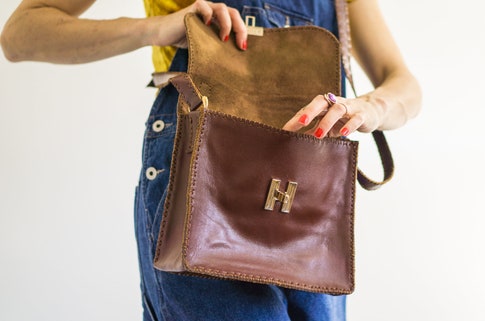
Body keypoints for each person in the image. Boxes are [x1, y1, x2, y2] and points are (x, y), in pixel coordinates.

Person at [1, 0, 421, 320]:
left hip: (309, 204)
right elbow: (20, 34)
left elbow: (403, 82)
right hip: (203, 180)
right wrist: (158, 28)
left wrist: (370, 108)